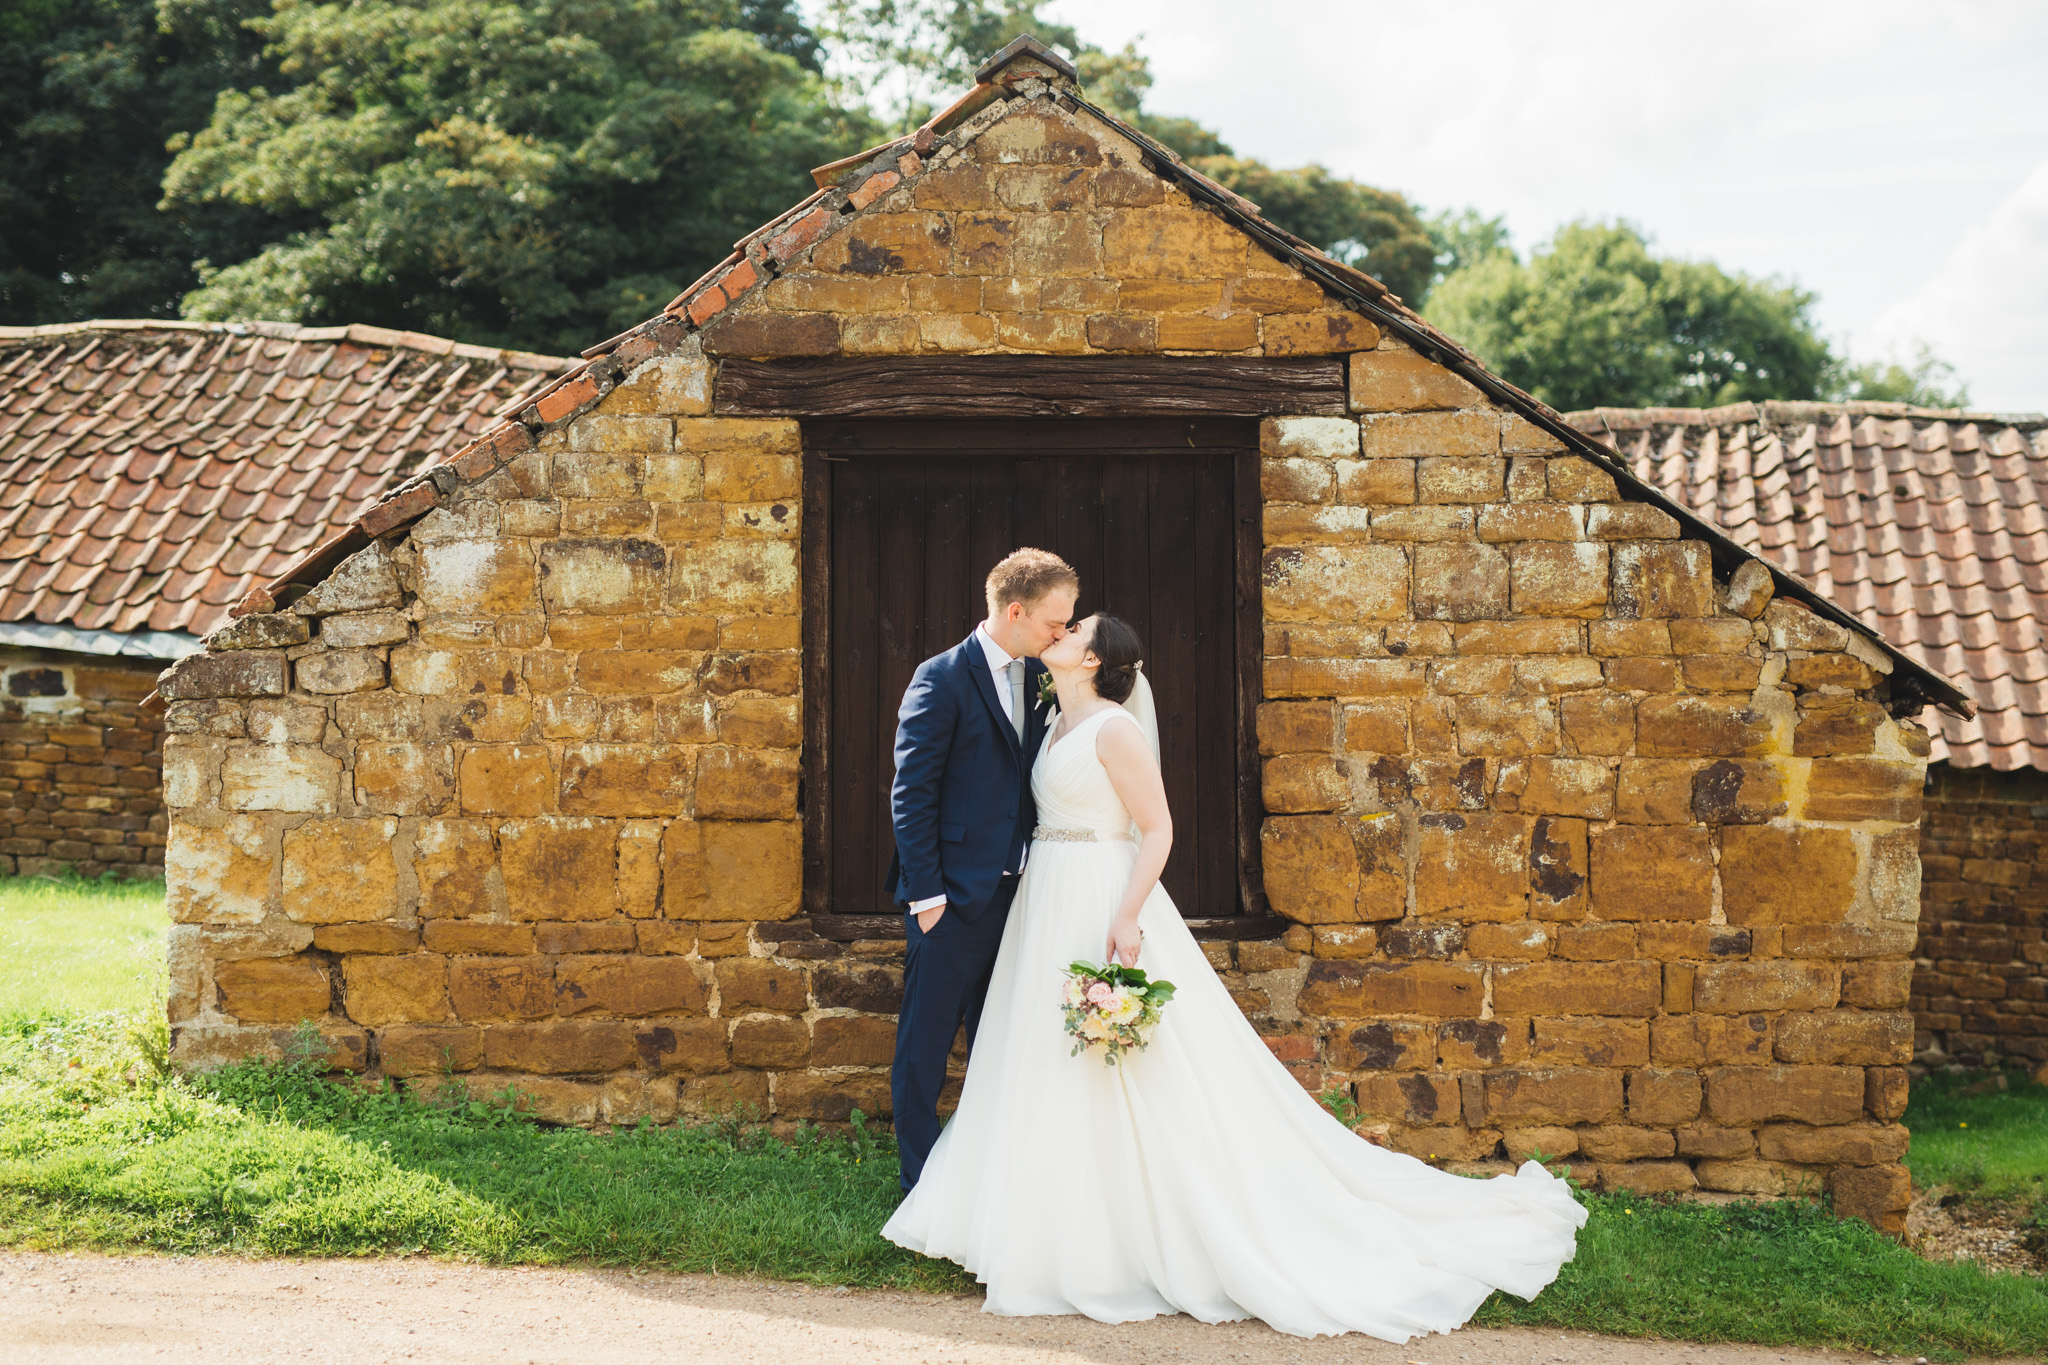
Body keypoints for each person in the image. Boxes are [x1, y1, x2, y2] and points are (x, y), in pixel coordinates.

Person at [884, 612, 1588, 1343]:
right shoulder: (1053, 718)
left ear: (1091, 658)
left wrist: (1127, 917)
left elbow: (1156, 829)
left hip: (1101, 895)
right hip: (1046, 898)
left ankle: (1132, 1225)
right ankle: (1035, 1210)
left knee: (1129, 1065)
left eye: (1072, 628)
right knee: (1040, 1050)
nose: (1056, 631)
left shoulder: (1115, 729)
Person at [887, 548, 1078, 1193]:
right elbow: (911, 793)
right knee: (926, 1046)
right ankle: (920, 1183)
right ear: (1017, 610)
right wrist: (927, 895)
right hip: (952, 898)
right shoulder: (940, 678)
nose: (1063, 634)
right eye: (1056, 622)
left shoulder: (1039, 677)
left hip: (1023, 898)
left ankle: (987, 1178)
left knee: (1001, 1042)